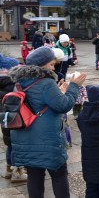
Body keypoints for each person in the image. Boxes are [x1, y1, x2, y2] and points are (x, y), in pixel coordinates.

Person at [8, 46, 86, 198]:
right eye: (51, 64)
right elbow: (64, 105)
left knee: (35, 177)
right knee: (59, 175)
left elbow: (40, 101)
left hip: (25, 138)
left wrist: (58, 92)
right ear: (41, 65)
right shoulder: (46, 83)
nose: (54, 67)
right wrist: (74, 86)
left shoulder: (20, 82)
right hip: (47, 140)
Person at [0, 55, 27, 183]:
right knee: (17, 146)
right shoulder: (13, 85)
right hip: (15, 119)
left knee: (10, 145)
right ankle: (18, 172)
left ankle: (8, 170)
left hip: (4, 120)